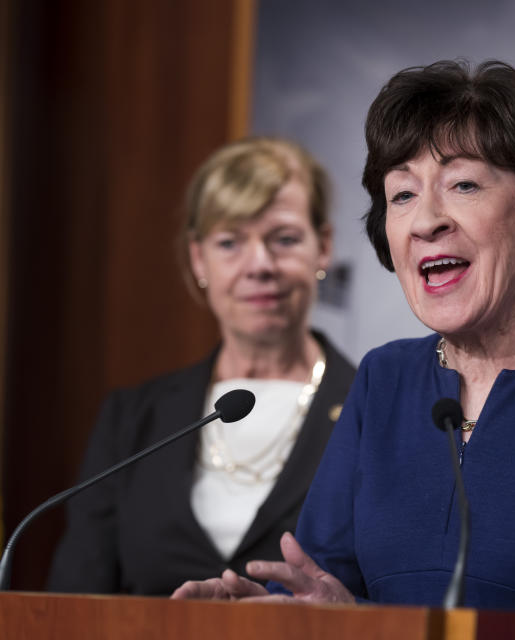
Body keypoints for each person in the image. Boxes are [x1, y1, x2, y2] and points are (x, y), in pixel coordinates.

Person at [172, 61, 515, 616]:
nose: (426, 221)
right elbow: (322, 587)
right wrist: (284, 612)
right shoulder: (383, 378)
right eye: (401, 194)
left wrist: (368, 624)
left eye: (463, 184)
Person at [47, 137, 356, 595]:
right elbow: (74, 594)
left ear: (323, 246)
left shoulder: (370, 410)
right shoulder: (133, 419)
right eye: (230, 242)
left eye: (285, 239)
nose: (259, 265)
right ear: (198, 258)